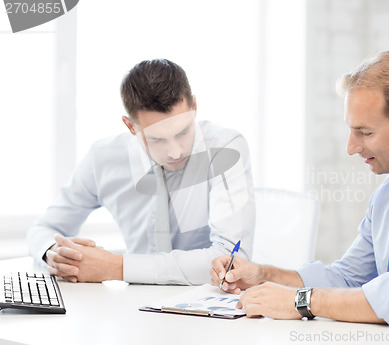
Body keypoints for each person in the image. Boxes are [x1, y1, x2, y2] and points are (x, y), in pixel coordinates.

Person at [211, 50, 389, 326]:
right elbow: (348, 278)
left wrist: (301, 302)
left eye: (365, 132)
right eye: (351, 130)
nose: (351, 147)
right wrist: (264, 275)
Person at [28, 59, 255, 285]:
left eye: (183, 131)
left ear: (194, 107)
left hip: (210, 308)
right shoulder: (103, 159)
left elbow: (232, 260)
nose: (175, 152)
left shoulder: (225, 149)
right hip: (132, 308)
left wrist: (116, 267)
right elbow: (44, 229)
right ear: (130, 126)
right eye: (157, 139)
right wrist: (55, 253)